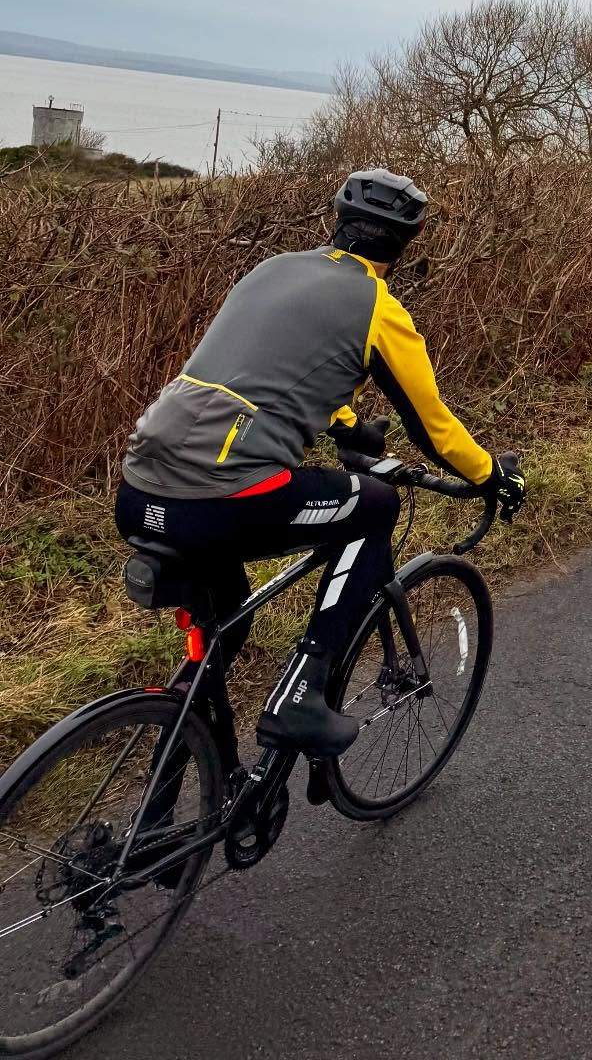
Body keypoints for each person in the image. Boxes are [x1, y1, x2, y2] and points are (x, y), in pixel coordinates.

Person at [116, 167, 525, 758]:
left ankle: (172, 765)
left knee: (225, 614)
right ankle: (301, 695)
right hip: (226, 496)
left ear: (335, 221)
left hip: (139, 487)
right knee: (375, 506)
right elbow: (433, 428)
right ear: (404, 246)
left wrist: (350, 425)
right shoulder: (378, 308)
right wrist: (494, 477)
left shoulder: (274, 268)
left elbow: (263, 373)